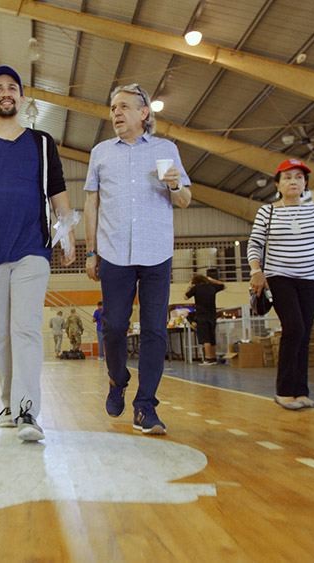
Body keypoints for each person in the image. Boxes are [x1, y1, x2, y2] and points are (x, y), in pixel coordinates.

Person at [0, 65, 76, 442]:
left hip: (31, 249)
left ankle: (28, 411)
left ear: (21, 99)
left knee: (26, 329)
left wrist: (68, 232)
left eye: (12, 88)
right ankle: (8, 402)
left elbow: (57, 190)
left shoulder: (42, 143)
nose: (5, 93)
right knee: (0, 337)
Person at [84, 83, 191, 436]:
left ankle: (145, 406)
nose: (116, 113)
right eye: (113, 107)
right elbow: (91, 203)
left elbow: (185, 199)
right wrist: (91, 250)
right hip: (114, 251)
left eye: (124, 107)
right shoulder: (100, 152)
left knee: (155, 331)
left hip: (156, 250)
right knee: (114, 326)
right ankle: (118, 379)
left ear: (144, 113)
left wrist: (176, 185)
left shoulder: (166, 150)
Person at [247, 158, 314, 410]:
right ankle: (284, 391)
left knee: (305, 333)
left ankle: (301, 391)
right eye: (287, 177)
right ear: (277, 184)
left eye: (299, 177)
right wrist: (256, 270)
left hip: (312, 279)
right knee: (293, 327)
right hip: (279, 277)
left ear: (305, 184)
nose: (293, 181)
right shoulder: (267, 211)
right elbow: (255, 244)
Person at [184, 274, 224, 365]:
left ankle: (208, 358)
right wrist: (212, 280)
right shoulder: (212, 287)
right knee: (211, 337)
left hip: (201, 315)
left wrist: (190, 286)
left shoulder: (196, 288)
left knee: (205, 337)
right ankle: (213, 358)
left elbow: (185, 297)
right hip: (212, 315)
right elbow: (223, 285)